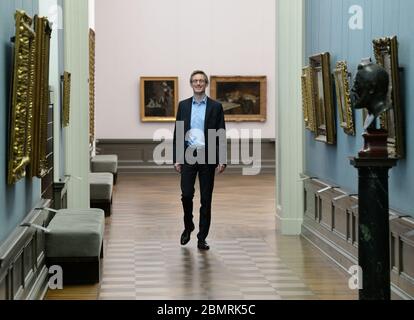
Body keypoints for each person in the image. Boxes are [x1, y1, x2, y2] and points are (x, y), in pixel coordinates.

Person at [173, 70, 227, 251]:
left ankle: (202, 237)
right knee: (186, 195)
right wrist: (177, 158)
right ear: (191, 84)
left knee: (206, 198)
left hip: (208, 155)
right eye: (195, 81)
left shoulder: (215, 107)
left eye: (201, 81)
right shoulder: (183, 106)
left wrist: (222, 159)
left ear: (206, 84)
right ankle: (188, 226)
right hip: (188, 154)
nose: (198, 83)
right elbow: (178, 132)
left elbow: (221, 133)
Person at [350, 62, 391, 130]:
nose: (353, 89)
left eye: (357, 84)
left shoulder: (382, 111)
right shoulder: (370, 115)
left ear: (371, 88)